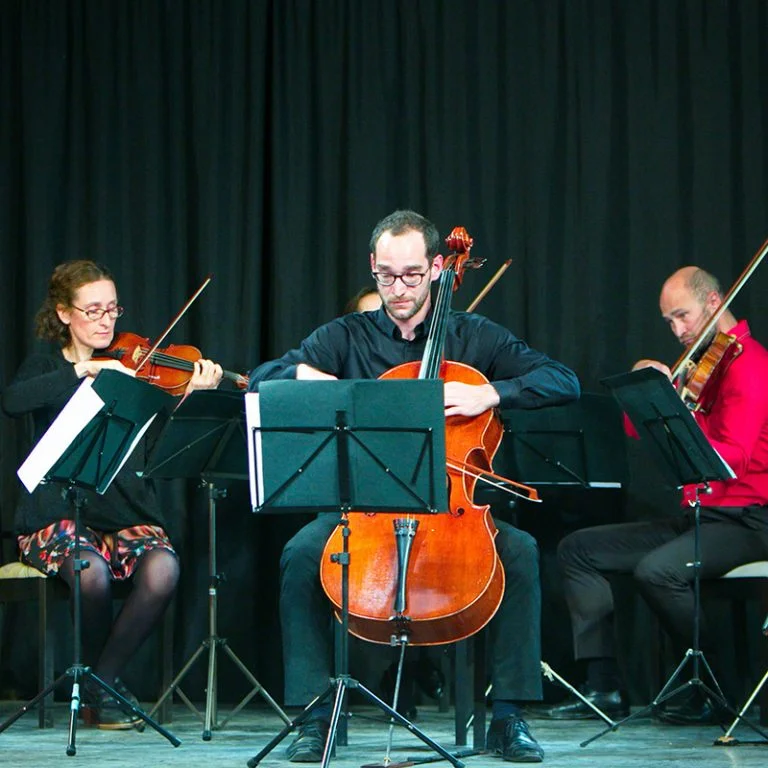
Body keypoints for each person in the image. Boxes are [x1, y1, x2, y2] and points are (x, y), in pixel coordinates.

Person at [249, 209, 581, 763]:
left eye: (410, 275)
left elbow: (561, 380)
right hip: (365, 505)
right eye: (385, 276)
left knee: (519, 553)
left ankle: (508, 717)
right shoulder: (345, 336)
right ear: (373, 268)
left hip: (452, 503)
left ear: (435, 268)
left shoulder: (475, 335)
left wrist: (490, 394)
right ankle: (312, 717)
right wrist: (301, 374)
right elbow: (262, 377)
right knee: (301, 555)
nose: (397, 289)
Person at [539, 266, 768, 724]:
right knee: (579, 550)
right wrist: (648, 396)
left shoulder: (748, 364)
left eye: (683, 316)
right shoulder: (705, 366)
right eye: (669, 322)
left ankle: (724, 688)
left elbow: (733, 458)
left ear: (713, 303)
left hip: (748, 518)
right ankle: (603, 688)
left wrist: (678, 414)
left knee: (657, 571)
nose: (678, 331)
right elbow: (638, 432)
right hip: (700, 517)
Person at [2, 260, 223, 729]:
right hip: (56, 512)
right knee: (90, 573)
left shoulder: (135, 368)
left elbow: (161, 449)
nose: (106, 321)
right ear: (64, 313)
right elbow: (13, 400)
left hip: (124, 509)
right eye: (94, 310)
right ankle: (102, 691)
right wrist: (82, 370)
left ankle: (99, 682)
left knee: (163, 568)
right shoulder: (48, 365)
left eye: (112, 310)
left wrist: (192, 398)